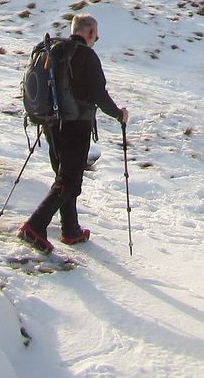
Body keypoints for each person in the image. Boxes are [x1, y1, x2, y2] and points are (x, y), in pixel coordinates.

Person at [19, 14, 128, 251]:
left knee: (64, 176)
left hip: (49, 123)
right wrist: (119, 114)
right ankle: (35, 226)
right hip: (76, 124)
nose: (96, 40)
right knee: (69, 180)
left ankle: (70, 229)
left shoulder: (55, 51)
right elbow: (99, 94)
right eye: (96, 36)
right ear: (90, 33)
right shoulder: (86, 56)